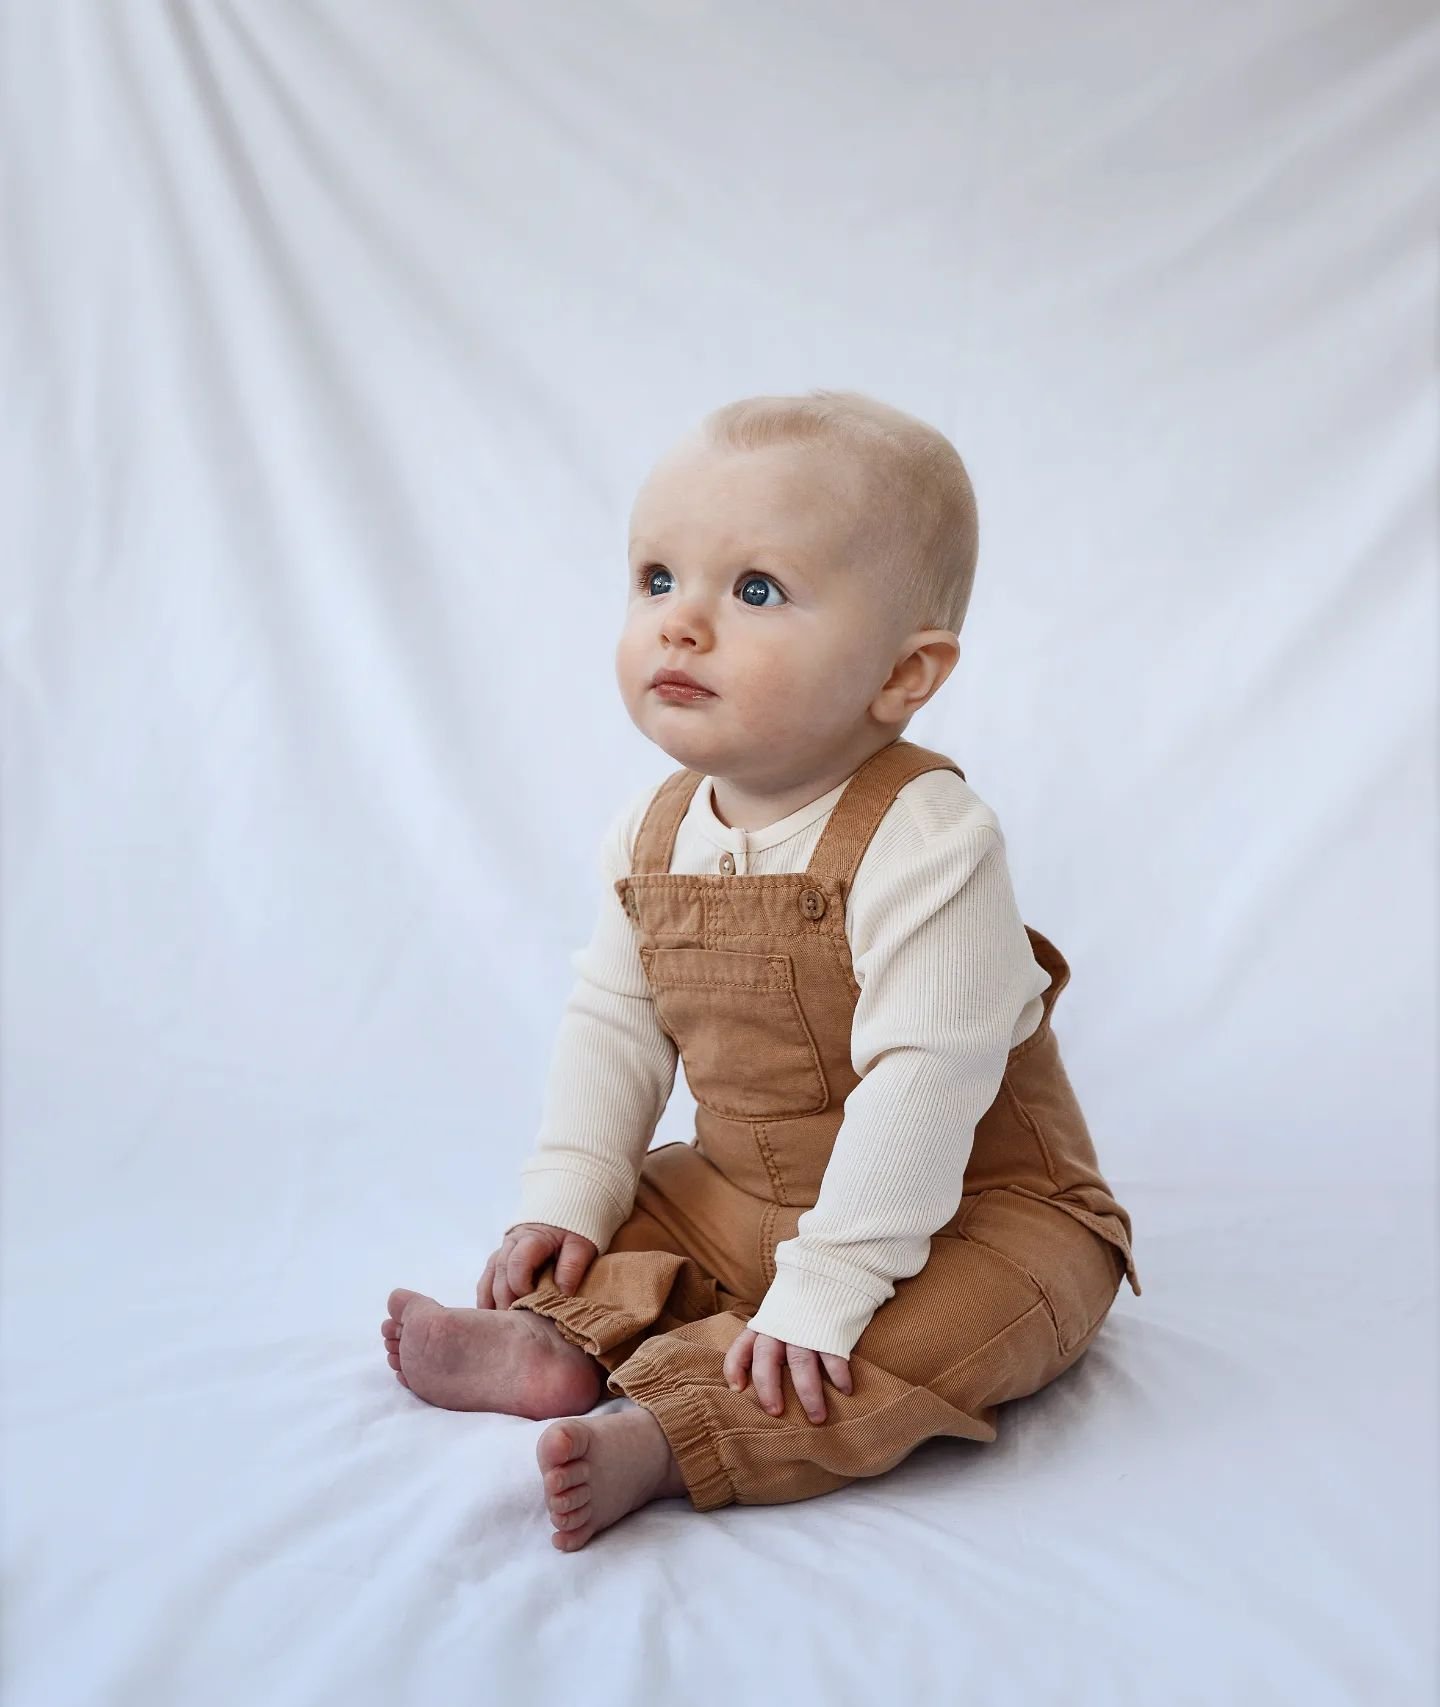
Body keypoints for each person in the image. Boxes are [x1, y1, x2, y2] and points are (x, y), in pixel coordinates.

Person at [380, 388, 1142, 1551]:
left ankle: (679, 1429)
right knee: (645, 1206)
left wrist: (831, 1283)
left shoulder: (929, 838)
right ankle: (556, 1337)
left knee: (955, 1324)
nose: (682, 625)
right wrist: (568, 1197)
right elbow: (614, 1024)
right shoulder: (653, 830)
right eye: (655, 580)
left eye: (755, 591)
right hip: (747, 1190)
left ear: (904, 675)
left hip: (981, 1205)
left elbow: (926, 1084)